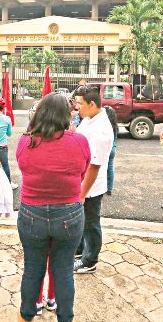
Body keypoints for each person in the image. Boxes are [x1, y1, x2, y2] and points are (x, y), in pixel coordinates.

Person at [15, 93, 90, 322]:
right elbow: (82, 173)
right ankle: (64, 317)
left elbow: (24, 168)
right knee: (64, 271)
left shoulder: (25, 141)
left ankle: (27, 315)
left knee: (32, 269)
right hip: (69, 212)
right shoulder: (79, 142)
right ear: (66, 116)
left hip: (31, 213)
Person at [72, 85, 114, 274]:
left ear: (91, 104)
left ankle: (90, 260)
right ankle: (80, 250)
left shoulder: (101, 129)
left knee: (91, 223)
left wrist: (82, 193)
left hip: (91, 186)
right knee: (83, 220)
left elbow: (95, 165)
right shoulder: (90, 119)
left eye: (79, 104)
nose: (76, 107)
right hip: (82, 181)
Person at [103, 105, 118, 196]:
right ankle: (109, 189)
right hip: (113, 149)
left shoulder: (104, 125)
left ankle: (102, 187)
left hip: (105, 149)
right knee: (110, 168)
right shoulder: (115, 126)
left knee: (101, 169)